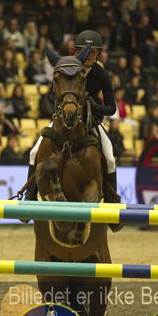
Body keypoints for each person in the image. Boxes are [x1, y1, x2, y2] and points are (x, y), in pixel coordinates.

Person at [25, 30, 118, 204]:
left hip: (90, 123)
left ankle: (112, 201)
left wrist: (95, 107)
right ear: (77, 51)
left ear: (98, 53)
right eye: (85, 51)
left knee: (110, 158)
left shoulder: (102, 74)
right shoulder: (68, 68)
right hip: (63, 118)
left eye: (93, 52)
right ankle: (29, 196)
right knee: (33, 152)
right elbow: (53, 95)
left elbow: (112, 108)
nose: (89, 55)